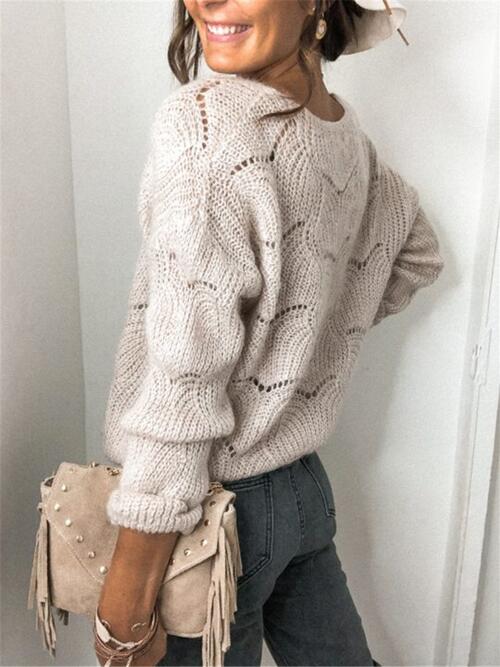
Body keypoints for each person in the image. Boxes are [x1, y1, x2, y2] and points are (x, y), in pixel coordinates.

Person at [96, 0, 444, 665]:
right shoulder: (344, 134)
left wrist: (126, 601)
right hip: (303, 491)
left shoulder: (209, 125)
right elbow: (416, 254)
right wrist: (306, 335)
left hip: (209, 508)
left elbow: (184, 378)